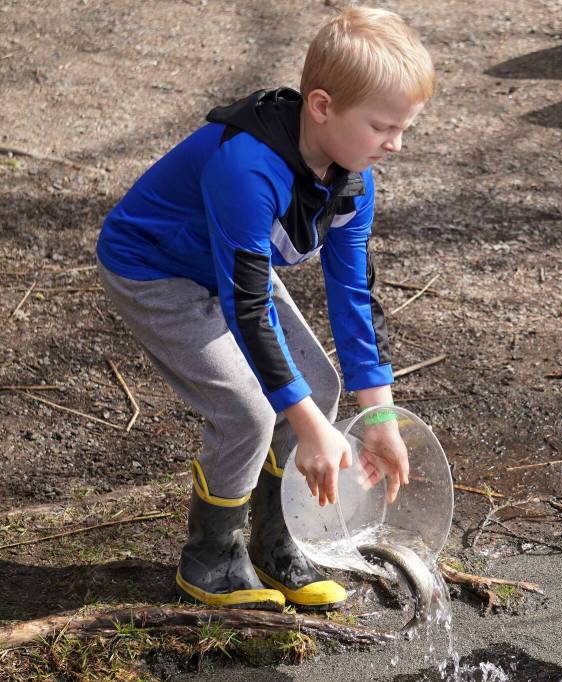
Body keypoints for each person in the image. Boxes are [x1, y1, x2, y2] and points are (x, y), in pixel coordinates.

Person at [94, 7, 434, 611]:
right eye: (383, 126)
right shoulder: (246, 166)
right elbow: (248, 306)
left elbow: (352, 291)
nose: (397, 144)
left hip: (232, 272)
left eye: (405, 127)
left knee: (319, 385)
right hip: (156, 271)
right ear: (322, 106)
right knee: (249, 411)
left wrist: (380, 418)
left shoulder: (352, 177)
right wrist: (306, 428)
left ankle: (276, 542)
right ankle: (211, 558)